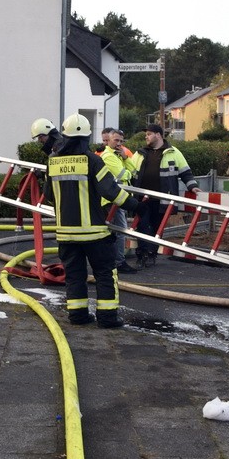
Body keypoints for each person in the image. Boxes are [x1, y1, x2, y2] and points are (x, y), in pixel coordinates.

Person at [46, 114, 142, 328]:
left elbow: (49, 197)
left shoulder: (52, 162)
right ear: (87, 137)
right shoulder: (93, 160)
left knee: (74, 275)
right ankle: (107, 318)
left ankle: (78, 315)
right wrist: (137, 206)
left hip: (65, 233)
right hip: (94, 234)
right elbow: (111, 192)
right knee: (105, 274)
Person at [127, 123, 201, 267]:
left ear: (158, 135)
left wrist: (192, 186)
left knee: (156, 228)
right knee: (142, 226)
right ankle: (142, 254)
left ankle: (151, 254)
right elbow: (130, 172)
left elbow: (185, 172)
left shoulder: (173, 152)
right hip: (142, 199)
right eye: (146, 134)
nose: (146, 137)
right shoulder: (140, 153)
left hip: (163, 199)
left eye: (149, 134)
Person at [98, 128, 137, 274]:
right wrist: (126, 169)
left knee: (114, 232)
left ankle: (113, 261)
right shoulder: (108, 156)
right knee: (120, 231)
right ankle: (119, 262)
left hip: (119, 198)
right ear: (109, 140)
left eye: (121, 141)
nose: (119, 144)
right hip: (112, 200)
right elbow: (123, 175)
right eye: (116, 140)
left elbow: (133, 171)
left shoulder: (118, 155)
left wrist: (126, 159)